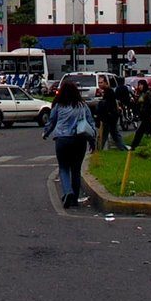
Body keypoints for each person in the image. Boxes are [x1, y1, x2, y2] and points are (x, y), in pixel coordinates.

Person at [42, 80, 96, 208]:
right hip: (79, 140)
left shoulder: (58, 105)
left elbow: (51, 121)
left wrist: (46, 133)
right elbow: (90, 122)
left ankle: (68, 192)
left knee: (64, 167)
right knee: (76, 170)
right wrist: (92, 139)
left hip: (62, 140)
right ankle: (75, 199)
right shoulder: (82, 105)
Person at [96, 76, 128, 150]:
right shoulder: (107, 91)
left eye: (101, 82)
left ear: (106, 83)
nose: (100, 84)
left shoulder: (109, 91)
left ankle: (98, 149)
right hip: (110, 117)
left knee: (105, 134)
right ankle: (122, 148)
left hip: (110, 117)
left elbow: (108, 105)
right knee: (114, 134)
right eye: (99, 83)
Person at [129, 79, 151, 151]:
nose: (140, 86)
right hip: (143, 115)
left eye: (141, 85)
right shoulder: (141, 93)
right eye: (139, 85)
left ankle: (133, 146)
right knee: (150, 131)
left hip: (147, 115)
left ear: (144, 85)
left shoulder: (147, 93)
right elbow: (138, 104)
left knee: (139, 132)